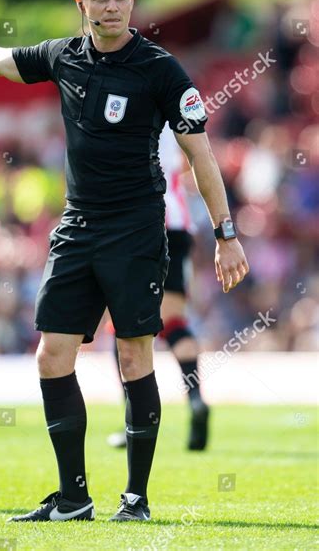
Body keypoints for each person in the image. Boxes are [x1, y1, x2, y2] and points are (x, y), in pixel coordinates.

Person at [0, 0, 249, 523]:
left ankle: (136, 499)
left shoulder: (161, 70)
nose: (112, 7)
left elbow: (201, 154)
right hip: (78, 226)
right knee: (52, 355)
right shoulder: (63, 57)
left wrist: (226, 234)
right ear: (83, 4)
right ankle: (73, 497)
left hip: (136, 229)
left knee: (133, 352)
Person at [106, 126, 209, 452]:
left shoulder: (125, 102)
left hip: (137, 223)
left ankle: (133, 419)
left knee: (122, 327)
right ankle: (195, 399)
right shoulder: (171, 103)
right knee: (175, 322)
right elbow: (195, 158)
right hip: (176, 222)